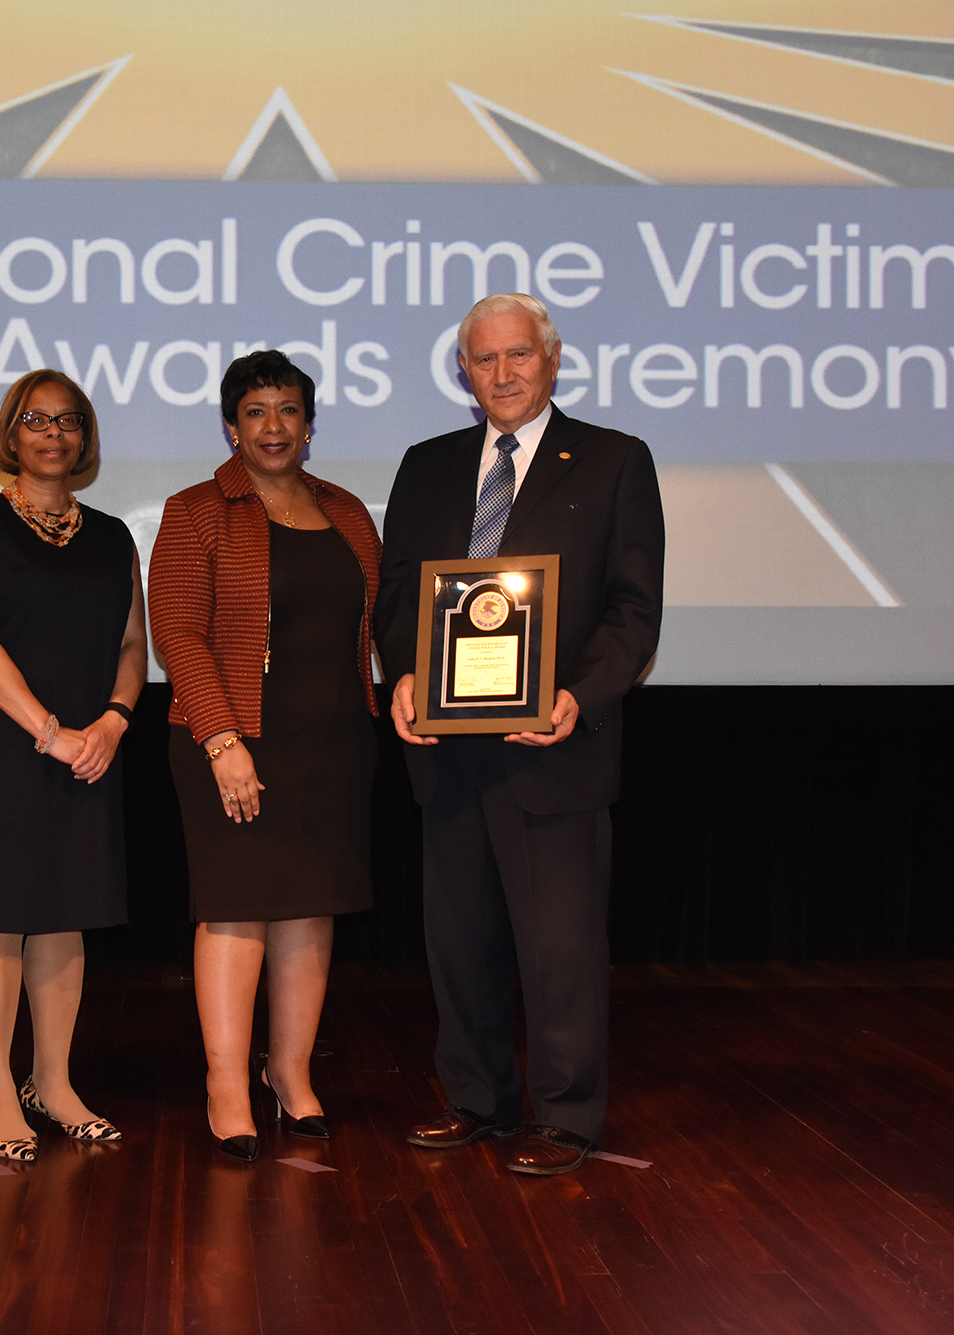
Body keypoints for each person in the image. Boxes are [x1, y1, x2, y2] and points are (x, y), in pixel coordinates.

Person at [376, 293, 665, 1176]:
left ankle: (567, 1115)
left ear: (553, 358)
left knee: (560, 948)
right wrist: (406, 673)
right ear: (463, 371)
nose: (501, 374)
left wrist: (578, 695)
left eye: (518, 355)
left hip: (555, 748)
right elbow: (398, 595)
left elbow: (633, 609)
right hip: (448, 751)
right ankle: (478, 1100)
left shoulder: (614, 460)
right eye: (484, 359)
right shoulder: (427, 465)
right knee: (459, 941)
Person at [149, 350, 383, 1162]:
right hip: (233, 740)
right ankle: (226, 1084)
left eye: (288, 410)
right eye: (255, 411)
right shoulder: (195, 510)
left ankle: (289, 1072)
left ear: (310, 425)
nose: (273, 426)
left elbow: (378, 623)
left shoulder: (348, 512)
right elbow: (178, 633)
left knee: (310, 907)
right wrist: (222, 740)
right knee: (236, 907)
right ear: (231, 426)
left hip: (334, 745)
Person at [0, 369, 146, 1164]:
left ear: (85, 436)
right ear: (10, 433)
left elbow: (133, 645)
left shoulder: (113, 536)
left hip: (90, 746)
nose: (53, 433)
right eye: (36, 419)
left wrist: (113, 721)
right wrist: (49, 731)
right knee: (0, 914)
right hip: (4, 745)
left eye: (68, 420)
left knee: (66, 912)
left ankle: (53, 1083)